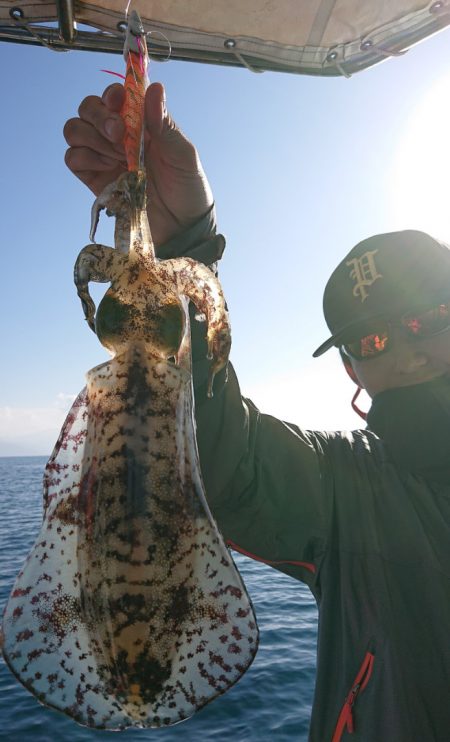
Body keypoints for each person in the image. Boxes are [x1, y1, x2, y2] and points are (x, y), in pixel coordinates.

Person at [64, 83, 450, 742]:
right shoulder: (343, 487)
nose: (409, 352)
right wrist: (186, 246)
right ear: (351, 368)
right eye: (376, 337)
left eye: (430, 320)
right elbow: (221, 456)